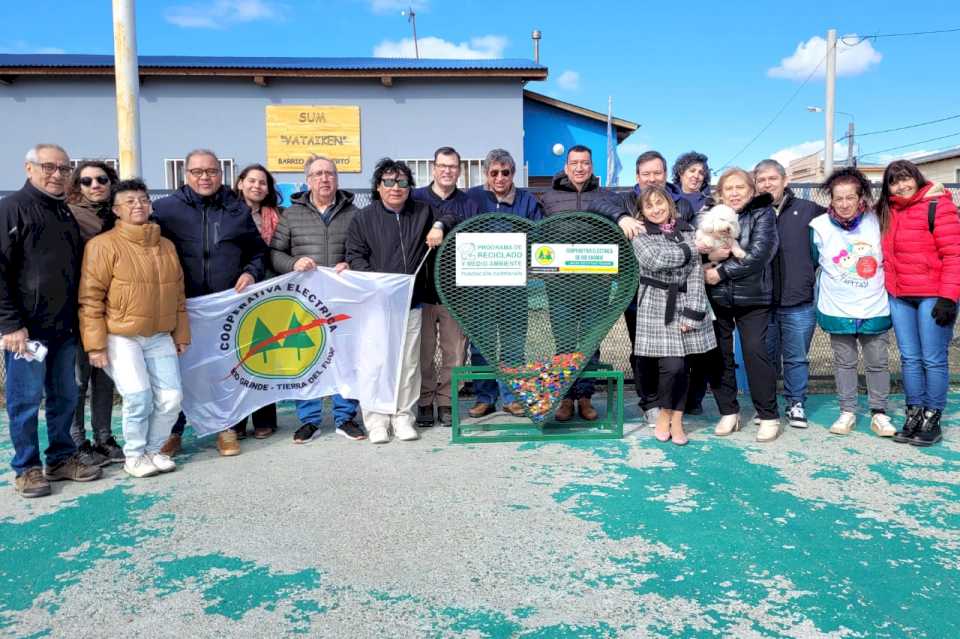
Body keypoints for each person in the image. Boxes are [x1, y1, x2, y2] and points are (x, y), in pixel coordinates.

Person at [1, 144, 102, 498]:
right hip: (26, 332)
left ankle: (60, 457)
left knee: (65, 397)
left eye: (63, 167)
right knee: (25, 401)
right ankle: (27, 467)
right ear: (29, 169)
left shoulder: (64, 213)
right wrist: (9, 324)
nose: (57, 174)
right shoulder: (11, 209)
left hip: (64, 328)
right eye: (48, 167)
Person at [153, 148, 267, 457]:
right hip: (180, 308)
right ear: (186, 175)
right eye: (198, 172)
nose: (205, 177)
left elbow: (257, 252)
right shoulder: (164, 210)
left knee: (221, 370)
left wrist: (250, 272)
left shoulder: (236, 210)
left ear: (221, 174)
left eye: (212, 172)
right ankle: (171, 432)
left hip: (223, 308)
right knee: (174, 373)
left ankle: (225, 428)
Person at [78, 179, 190, 477]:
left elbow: (178, 293)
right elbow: (90, 298)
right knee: (138, 396)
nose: (138, 205)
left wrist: (181, 334)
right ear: (116, 210)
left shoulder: (166, 246)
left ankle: (154, 450)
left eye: (142, 200)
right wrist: (96, 345)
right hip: (121, 335)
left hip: (159, 335)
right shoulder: (102, 246)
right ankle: (134, 455)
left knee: (171, 398)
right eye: (129, 201)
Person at [345, 158, 455, 444]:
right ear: (378, 187)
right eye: (389, 182)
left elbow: (453, 215)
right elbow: (355, 255)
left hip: (412, 303)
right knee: (376, 364)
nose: (396, 188)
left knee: (408, 364)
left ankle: (403, 417)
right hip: (376, 306)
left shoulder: (423, 211)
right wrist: (380, 287)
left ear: (409, 186)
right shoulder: (362, 218)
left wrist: (440, 225)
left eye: (403, 182)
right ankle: (377, 420)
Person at [540, 145, 640, 422]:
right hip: (559, 286)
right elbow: (539, 236)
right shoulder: (549, 198)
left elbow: (618, 239)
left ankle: (585, 397)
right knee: (564, 342)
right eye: (574, 163)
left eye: (585, 162)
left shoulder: (607, 197)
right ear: (566, 166)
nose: (580, 167)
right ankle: (565, 398)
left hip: (596, 285)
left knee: (590, 341)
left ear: (592, 166)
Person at [270, 155, 365, 443]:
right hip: (305, 302)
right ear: (308, 180)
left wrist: (350, 263)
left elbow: (363, 251)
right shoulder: (291, 215)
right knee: (307, 357)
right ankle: (309, 420)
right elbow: (275, 253)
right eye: (318, 174)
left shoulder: (355, 214)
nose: (325, 179)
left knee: (346, 359)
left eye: (330, 174)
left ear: (337, 179)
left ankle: (345, 417)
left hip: (343, 300)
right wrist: (293, 263)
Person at [879, 160, 960, 447]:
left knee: (933, 358)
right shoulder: (888, 211)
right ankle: (914, 412)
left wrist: (949, 296)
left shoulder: (938, 205)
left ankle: (932, 417)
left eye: (906, 179)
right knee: (910, 358)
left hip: (933, 295)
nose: (901, 185)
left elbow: (954, 254)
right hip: (901, 295)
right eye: (894, 181)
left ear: (917, 178)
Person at [811, 168, 893, 437]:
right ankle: (847, 411)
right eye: (838, 198)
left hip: (874, 306)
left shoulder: (878, 219)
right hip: (838, 307)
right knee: (843, 363)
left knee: (877, 362)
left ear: (861, 198)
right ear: (830, 200)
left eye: (850, 197)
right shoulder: (819, 226)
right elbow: (812, 262)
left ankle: (879, 413)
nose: (844, 204)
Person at [631, 186, 716, 445]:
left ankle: (675, 418)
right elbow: (655, 259)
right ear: (642, 211)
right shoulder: (640, 234)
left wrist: (692, 312)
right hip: (656, 306)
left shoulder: (688, 231)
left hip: (685, 303)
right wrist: (692, 250)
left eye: (660, 204)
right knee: (672, 366)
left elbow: (695, 275)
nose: (656, 209)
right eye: (649, 206)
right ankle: (664, 413)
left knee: (683, 368)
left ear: (669, 204)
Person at [702, 168, 781, 442]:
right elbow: (699, 249)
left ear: (751, 190)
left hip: (753, 297)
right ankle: (729, 411)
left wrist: (721, 273)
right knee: (719, 355)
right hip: (717, 297)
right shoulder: (710, 215)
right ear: (720, 193)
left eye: (740, 187)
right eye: (729, 189)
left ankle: (768, 415)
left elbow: (759, 254)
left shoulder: (763, 213)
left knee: (755, 352)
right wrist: (707, 260)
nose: (734, 193)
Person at [464, 149, 542, 418]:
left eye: (505, 173)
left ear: (513, 174)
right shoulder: (471, 197)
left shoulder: (527, 201)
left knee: (513, 343)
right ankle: (485, 397)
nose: (500, 178)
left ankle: (511, 397)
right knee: (480, 345)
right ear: (486, 174)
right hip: (479, 289)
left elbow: (538, 234)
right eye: (494, 172)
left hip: (514, 288)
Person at [754, 159, 825, 429]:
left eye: (772, 178)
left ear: (785, 181)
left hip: (799, 300)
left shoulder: (809, 210)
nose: (767, 184)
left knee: (796, 357)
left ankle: (796, 403)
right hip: (762, 301)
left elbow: (845, 219)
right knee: (766, 358)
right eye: (762, 180)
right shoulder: (752, 213)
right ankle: (767, 405)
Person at [411, 147, 477, 426]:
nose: (447, 170)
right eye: (442, 165)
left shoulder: (469, 202)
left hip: (455, 291)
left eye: (452, 166)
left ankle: (447, 401)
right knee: (423, 352)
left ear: (459, 171)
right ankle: (425, 400)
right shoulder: (416, 199)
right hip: (422, 290)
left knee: (454, 352)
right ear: (433, 168)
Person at [65, 160, 122, 466]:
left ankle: (104, 437)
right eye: (87, 181)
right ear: (78, 186)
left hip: (114, 311)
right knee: (77, 379)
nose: (95, 185)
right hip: (78, 310)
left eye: (101, 179)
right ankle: (77, 441)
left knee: (105, 378)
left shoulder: (120, 216)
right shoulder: (68, 216)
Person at [233, 163, 281, 440]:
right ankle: (237, 419)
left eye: (263, 182)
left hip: (269, 292)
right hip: (237, 291)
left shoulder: (277, 216)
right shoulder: (227, 213)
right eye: (251, 181)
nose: (257, 187)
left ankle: (265, 417)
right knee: (237, 357)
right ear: (240, 183)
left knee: (265, 355)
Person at [622, 151, 696, 222]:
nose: (652, 179)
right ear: (637, 178)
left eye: (657, 173)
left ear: (665, 175)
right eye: (646, 174)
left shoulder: (684, 205)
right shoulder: (624, 201)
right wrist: (621, 217)